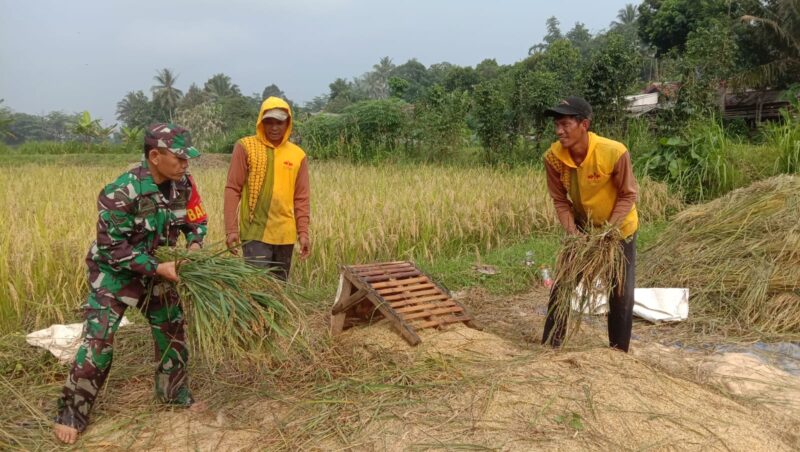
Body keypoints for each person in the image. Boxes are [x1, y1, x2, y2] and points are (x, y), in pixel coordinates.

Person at [53, 124, 208, 444]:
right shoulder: (121, 192)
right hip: (115, 274)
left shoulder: (184, 184)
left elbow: (197, 221)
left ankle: (173, 394)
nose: (184, 164)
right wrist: (158, 267)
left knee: (173, 329)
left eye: (186, 158)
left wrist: (194, 246)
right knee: (99, 342)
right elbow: (112, 249)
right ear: (155, 156)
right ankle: (72, 411)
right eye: (178, 158)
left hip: (161, 271)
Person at [540, 96, 639, 352]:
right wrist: (575, 234)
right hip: (583, 228)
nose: (558, 131)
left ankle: (618, 352)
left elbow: (628, 194)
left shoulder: (613, 152)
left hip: (619, 229)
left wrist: (608, 232)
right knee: (563, 284)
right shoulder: (553, 158)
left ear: (584, 124)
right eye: (556, 125)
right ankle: (551, 345)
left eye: (565, 124)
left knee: (621, 292)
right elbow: (560, 201)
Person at [224, 96, 310, 280]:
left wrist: (303, 232)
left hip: (285, 234)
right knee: (257, 288)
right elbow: (233, 189)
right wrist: (231, 230)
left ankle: (276, 311)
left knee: (278, 291)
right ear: (261, 122)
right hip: (255, 232)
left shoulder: (298, 155)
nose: (274, 127)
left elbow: (301, 197)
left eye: (279, 122)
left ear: (288, 123)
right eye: (268, 122)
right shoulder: (246, 147)